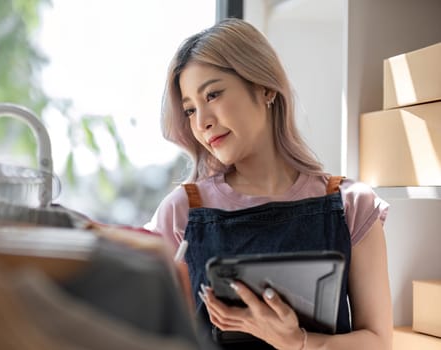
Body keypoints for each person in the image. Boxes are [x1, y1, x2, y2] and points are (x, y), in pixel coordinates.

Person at [146, 18, 393, 350]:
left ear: (265, 88)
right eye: (190, 110)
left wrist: (299, 342)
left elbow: (378, 342)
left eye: (213, 94)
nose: (202, 122)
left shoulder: (351, 205)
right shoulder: (182, 211)